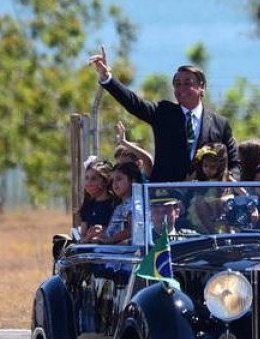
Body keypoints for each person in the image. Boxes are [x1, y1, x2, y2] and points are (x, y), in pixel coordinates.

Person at [89, 45, 239, 182]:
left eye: (188, 83)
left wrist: (230, 183)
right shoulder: (163, 112)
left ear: (202, 88)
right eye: (177, 84)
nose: (182, 88)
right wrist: (107, 78)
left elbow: (234, 162)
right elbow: (134, 103)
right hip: (165, 196)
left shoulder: (219, 123)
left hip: (204, 200)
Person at [86, 161, 143, 245]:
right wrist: (101, 234)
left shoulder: (134, 204)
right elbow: (115, 230)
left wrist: (109, 240)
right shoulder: (120, 206)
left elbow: (132, 230)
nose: (114, 184)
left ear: (132, 181)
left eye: (119, 179)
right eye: (112, 180)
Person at [187, 144, 238, 233]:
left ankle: (227, 232)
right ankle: (212, 232)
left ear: (220, 166)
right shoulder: (201, 179)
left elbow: (242, 192)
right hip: (206, 213)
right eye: (205, 165)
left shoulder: (227, 178)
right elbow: (187, 186)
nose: (207, 169)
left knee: (224, 201)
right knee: (199, 201)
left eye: (212, 167)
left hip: (221, 207)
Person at [78, 160, 116, 243]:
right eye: (87, 178)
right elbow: (82, 238)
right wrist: (89, 236)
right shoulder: (87, 206)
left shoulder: (115, 204)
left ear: (105, 182)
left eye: (93, 179)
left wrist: (104, 232)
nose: (88, 183)